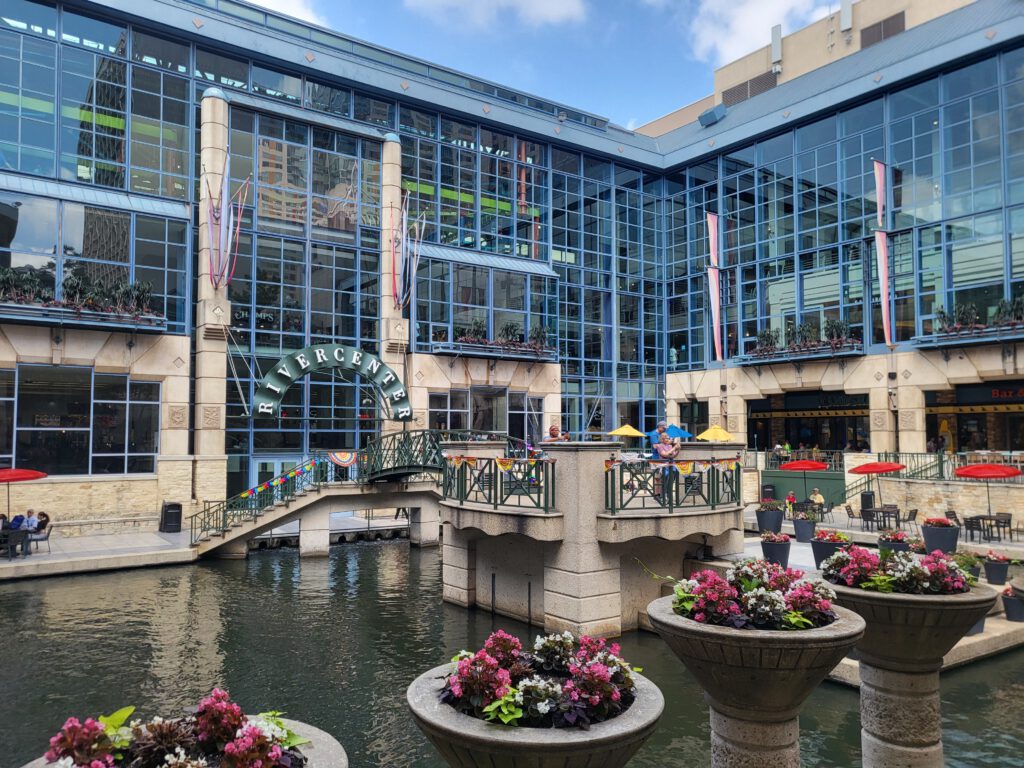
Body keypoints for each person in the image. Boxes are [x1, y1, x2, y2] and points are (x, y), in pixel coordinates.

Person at [653, 433, 679, 503]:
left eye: (668, 438)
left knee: (671, 483)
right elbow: (665, 454)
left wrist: (678, 449)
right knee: (664, 482)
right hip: (664, 466)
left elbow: (673, 456)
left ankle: (669, 498)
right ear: (662, 439)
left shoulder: (670, 446)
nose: (668, 439)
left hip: (672, 466)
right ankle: (663, 498)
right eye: (667, 438)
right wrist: (674, 448)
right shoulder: (659, 446)